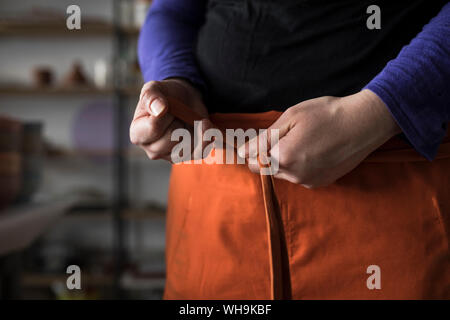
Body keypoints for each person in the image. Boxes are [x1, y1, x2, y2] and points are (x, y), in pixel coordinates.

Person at [130, 0, 450, 299]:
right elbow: (172, 11)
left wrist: (382, 109)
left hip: (393, 188)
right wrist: (174, 80)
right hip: (213, 201)